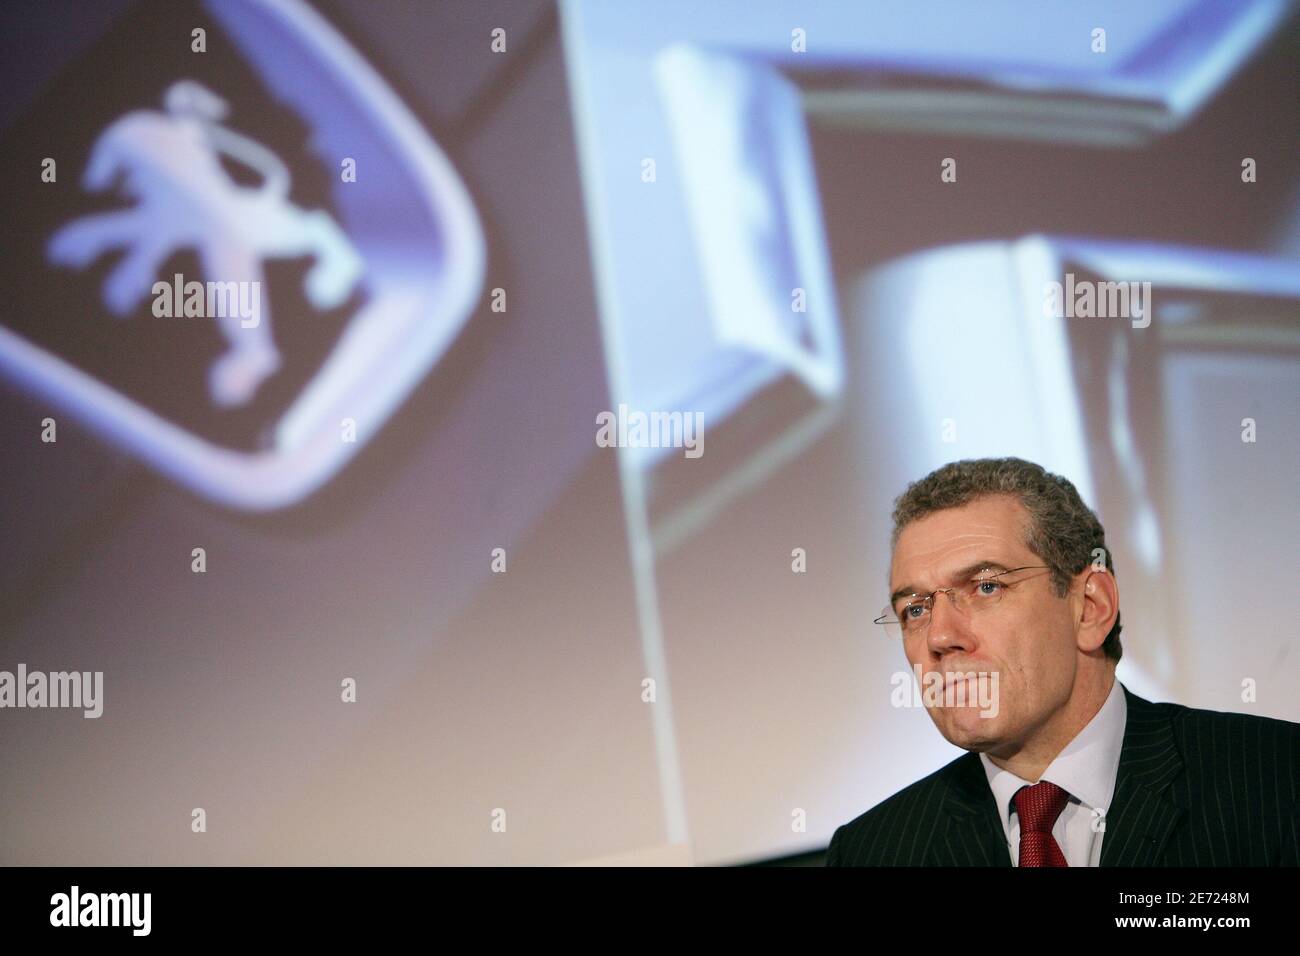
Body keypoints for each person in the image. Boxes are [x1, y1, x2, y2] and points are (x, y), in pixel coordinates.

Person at [826, 457, 1298, 866]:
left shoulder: (1274, 782)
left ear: (1090, 607)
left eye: (987, 586)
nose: (940, 636)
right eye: (916, 609)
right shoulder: (874, 851)